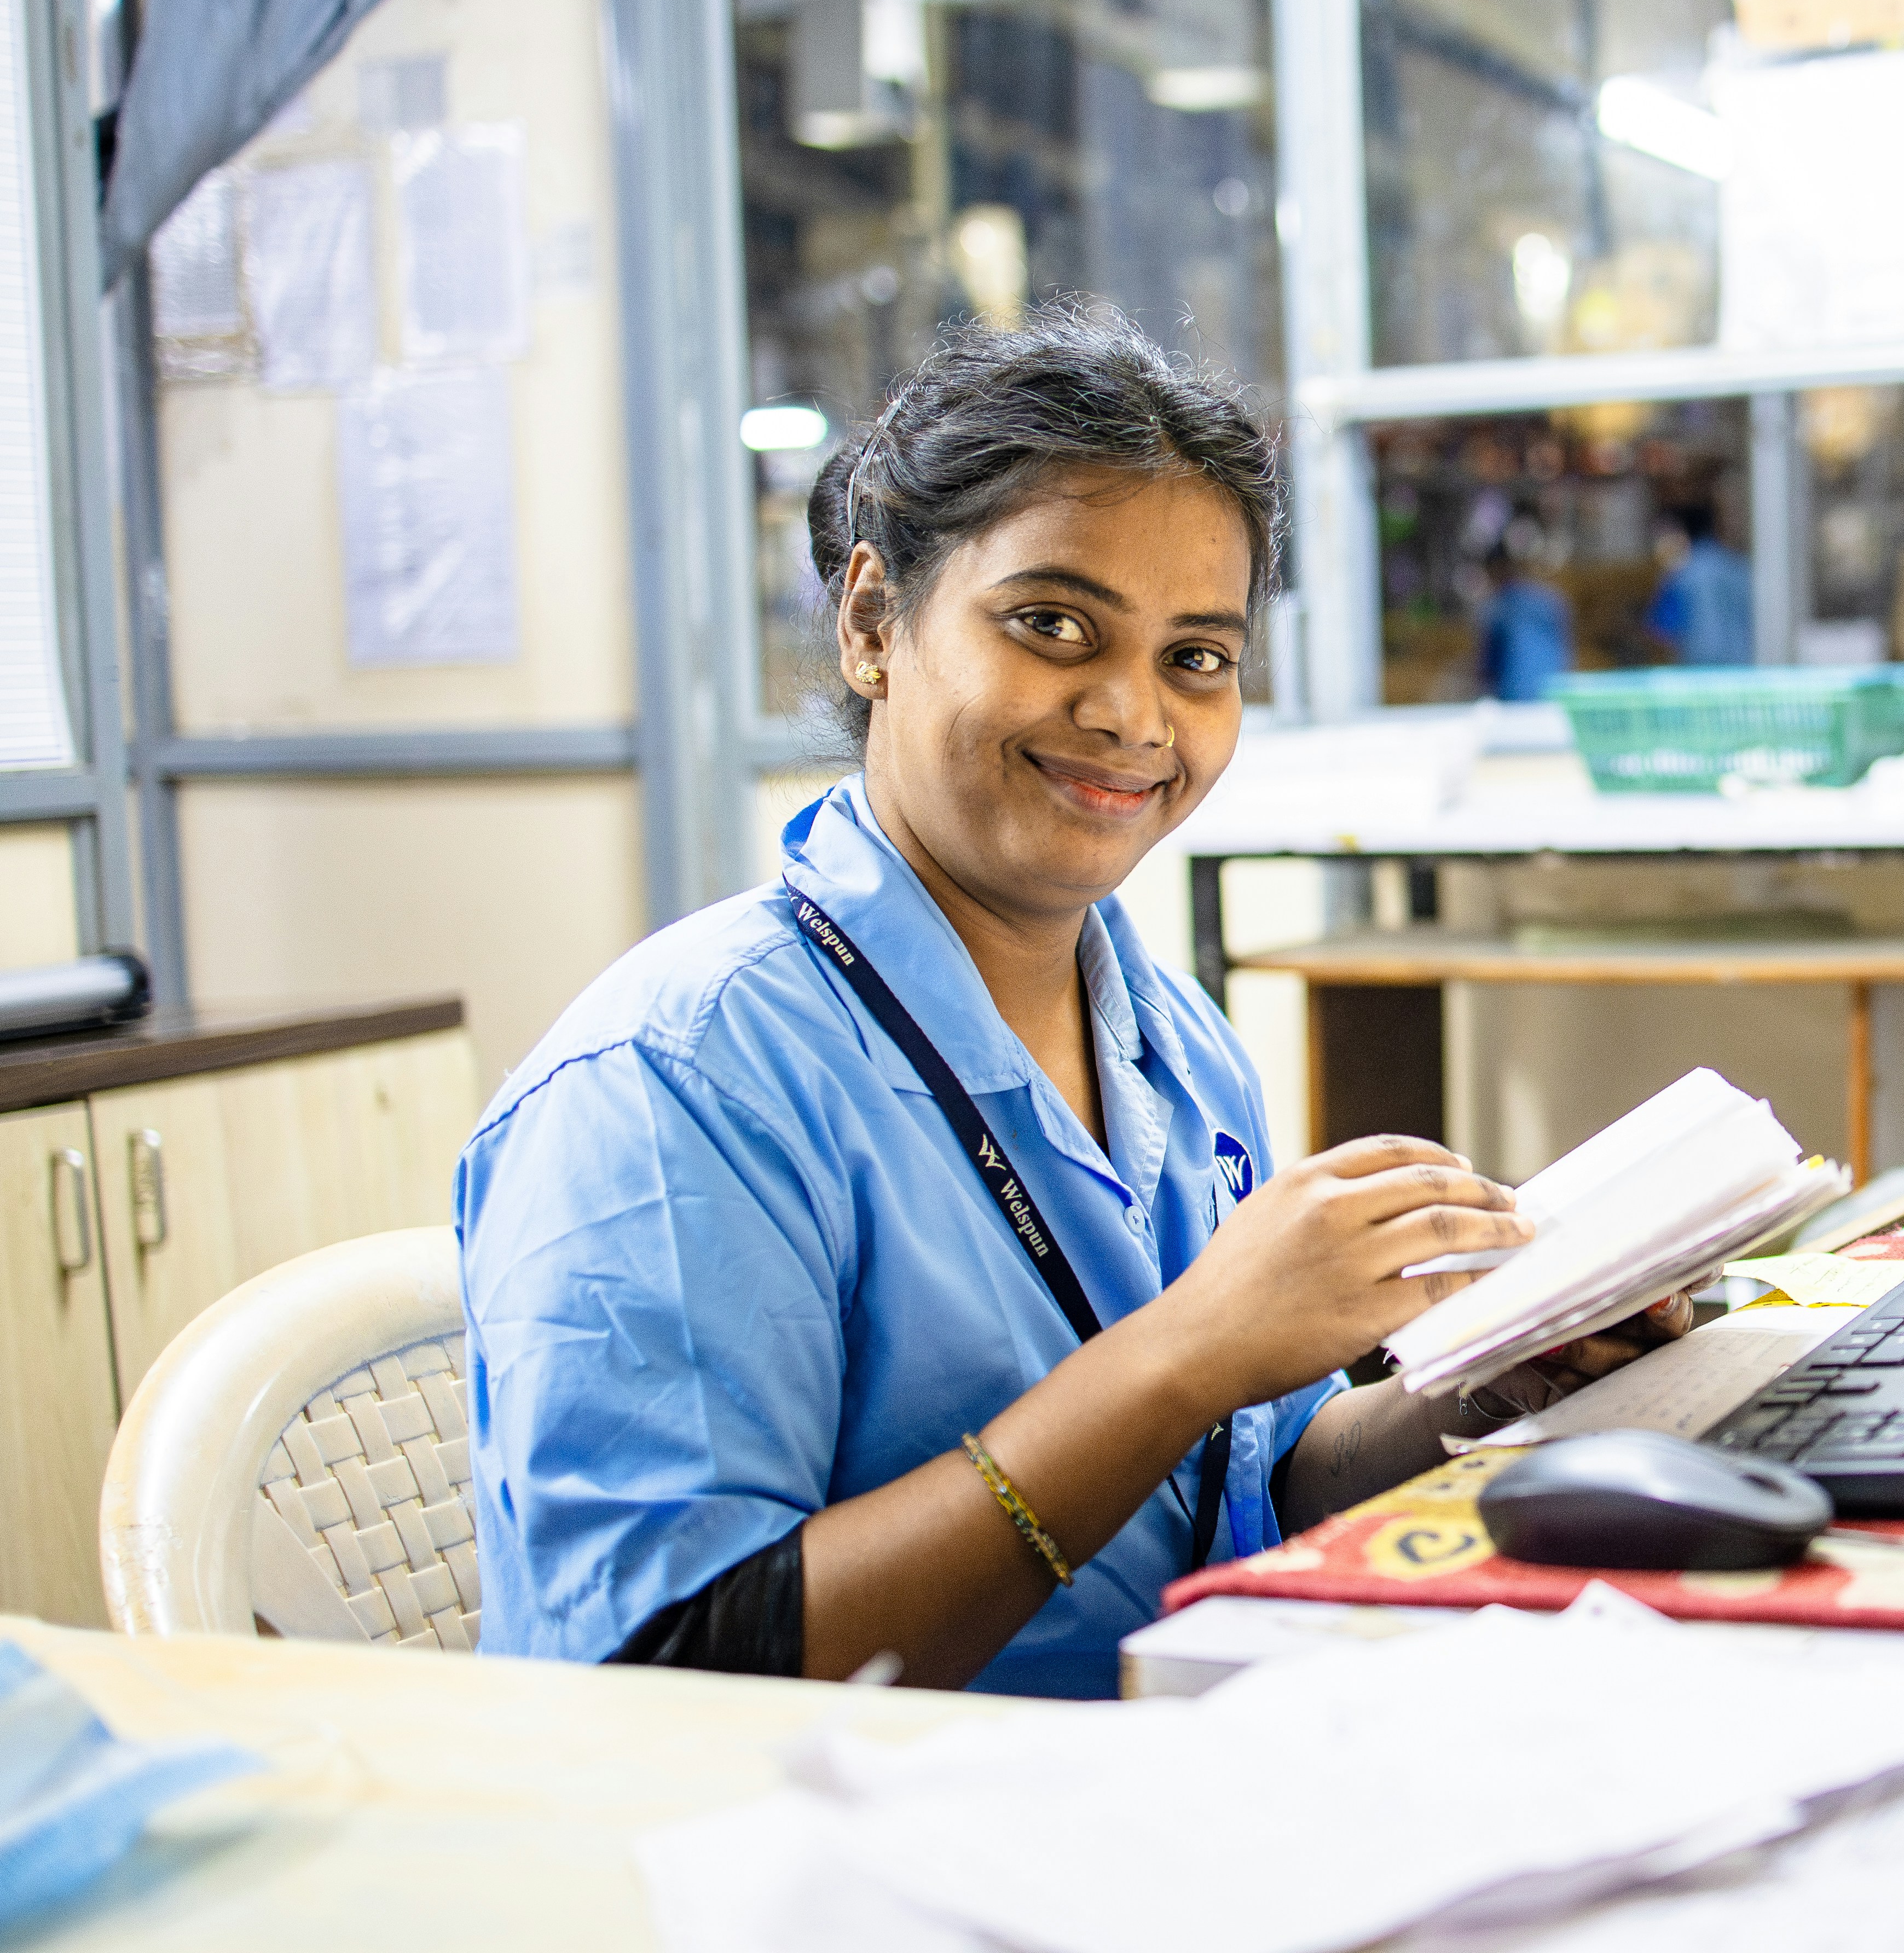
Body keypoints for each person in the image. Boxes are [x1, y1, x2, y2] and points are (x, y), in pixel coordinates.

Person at [458, 308, 1682, 1695]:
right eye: (1053, 624)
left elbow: (1248, 1481)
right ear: (873, 620)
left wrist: (1484, 1381)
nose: (1130, 715)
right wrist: (1179, 1352)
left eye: (1196, 658)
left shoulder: (1176, 1045)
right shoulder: (678, 1081)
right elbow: (670, 1669)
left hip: (1167, 1770)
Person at [1644, 496, 1753, 667]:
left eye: (1662, 535)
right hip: (1748, 668)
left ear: (1680, 532)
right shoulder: (1740, 566)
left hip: (1701, 675)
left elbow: (1663, 631)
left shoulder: (1680, 575)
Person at [1475, 529, 1575, 700]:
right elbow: (1567, 652)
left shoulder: (1496, 608)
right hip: (1556, 694)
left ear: (1494, 571)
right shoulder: (1552, 599)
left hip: (1515, 698)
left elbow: (1488, 666)